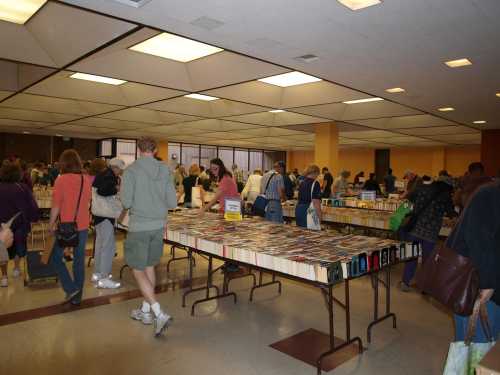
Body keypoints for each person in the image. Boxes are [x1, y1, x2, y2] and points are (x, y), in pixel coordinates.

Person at [121, 137, 177, 337]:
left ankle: (158, 312)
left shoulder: (131, 171)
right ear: (154, 150)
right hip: (158, 226)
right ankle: (146, 312)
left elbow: (126, 202)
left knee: (137, 269)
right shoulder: (165, 170)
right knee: (150, 266)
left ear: (138, 149)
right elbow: (172, 201)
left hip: (139, 226)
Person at [446, 181, 500, 343]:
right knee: (475, 345)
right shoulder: (489, 194)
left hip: (486, 282)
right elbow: (478, 239)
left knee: (486, 339)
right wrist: (487, 283)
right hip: (476, 283)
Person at [49, 150, 92, 305]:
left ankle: (70, 287)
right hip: (82, 225)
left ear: (63, 163)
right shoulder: (86, 179)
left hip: (66, 226)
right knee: (79, 260)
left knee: (55, 257)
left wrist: (50, 224)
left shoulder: (61, 180)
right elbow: (87, 201)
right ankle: (77, 297)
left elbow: (56, 206)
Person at [399, 177, 456, 291]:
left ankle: (405, 282)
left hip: (414, 229)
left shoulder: (421, 188)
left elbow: (407, 200)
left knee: (411, 256)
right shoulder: (446, 196)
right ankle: (425, 287)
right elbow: (451, 214)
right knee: (428, 260)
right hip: (431, 233)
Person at [0, 163, 39, 286]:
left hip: (1, 225)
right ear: (18, 174)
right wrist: (34, 218)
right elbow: (32, 206)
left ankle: (4, 277)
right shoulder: (23, 188)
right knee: (18, 245)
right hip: (19, 224)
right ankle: (16, 268)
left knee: (2, 249)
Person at [91, 158, 125, 289]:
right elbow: (103, 191)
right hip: (105, 216)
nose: (119, 173)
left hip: (98, 215)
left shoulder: (101, 174)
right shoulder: (109, 176)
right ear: (115, 168)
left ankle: (97, 273)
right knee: (108, 247)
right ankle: (104, 277)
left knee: (100, 245)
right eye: (119, 171)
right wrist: (116, 188)